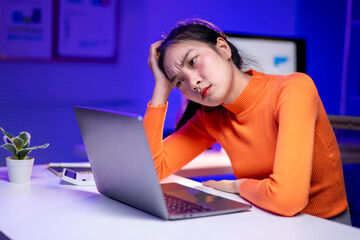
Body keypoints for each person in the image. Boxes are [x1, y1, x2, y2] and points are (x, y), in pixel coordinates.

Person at [143, 19, 351, 224]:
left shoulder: (293, 89)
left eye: (193, 62)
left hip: (321, 226)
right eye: (179, 81)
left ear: (223, 49)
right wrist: (162, 87)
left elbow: (287, 200)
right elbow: (149, 172)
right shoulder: (211, 118)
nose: (193, 82)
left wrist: (236, 186)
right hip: (264, 220)